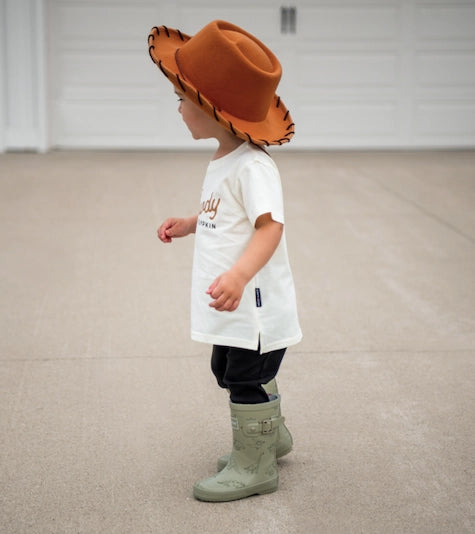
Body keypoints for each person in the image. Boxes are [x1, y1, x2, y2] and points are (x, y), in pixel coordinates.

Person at [148, 20, 302, 502]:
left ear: (212, 109)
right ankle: (269, 436)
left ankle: (255, 465)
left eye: (181, 96)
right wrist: (193, 222)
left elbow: (269, 226)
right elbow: (227, 214)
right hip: (237, 305)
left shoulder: (254, 166)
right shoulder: (226, 159)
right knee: (229, 369)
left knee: (243, 377)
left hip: (254, 305)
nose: (176, 106)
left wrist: (238, 274)